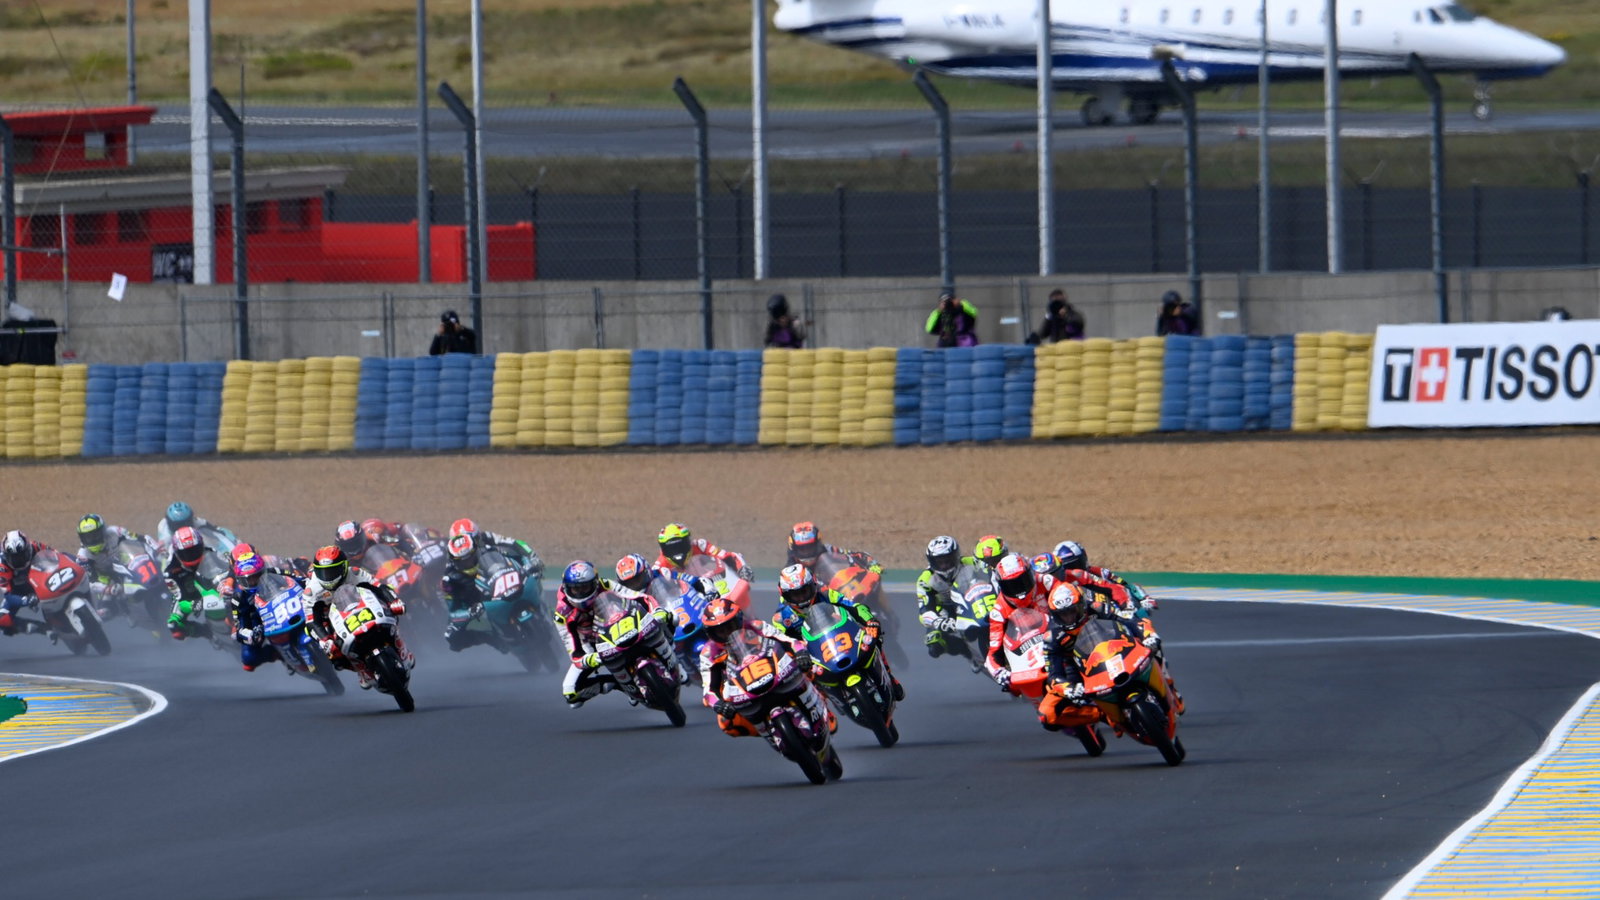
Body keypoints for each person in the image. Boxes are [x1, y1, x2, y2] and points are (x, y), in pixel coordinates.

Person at [1036, 581, 1182, 730]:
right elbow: (1053, 674)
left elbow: (1129, 620)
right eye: (1063, 615)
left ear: (1081, 605)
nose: (1069, 618)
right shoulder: (1051, 636)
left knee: (1153, 646)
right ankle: (1103, 713)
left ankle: (1169, 688)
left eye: (1072, 611)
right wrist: (1068, 688)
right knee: (1047, 715)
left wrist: (1148, 635)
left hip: (1116, 648)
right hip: (1080, 670)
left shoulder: (1097, 607)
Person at [553, 560, 685, 708]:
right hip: (591, 645)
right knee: (571, 694)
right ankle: (622, 686)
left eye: (585, 587)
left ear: (595, 583)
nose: (580, 592)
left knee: (670, 617)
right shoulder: (562, 614)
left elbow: (638, 597)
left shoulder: (605, 585)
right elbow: (573, 648)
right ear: (565, 587)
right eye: (575, 589)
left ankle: (675, 659)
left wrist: (656, 610)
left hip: (620, 624)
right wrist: (586, 659)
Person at [698, 595, 828, 738]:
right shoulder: (708, 653)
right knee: (726, 723)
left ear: (739, 620)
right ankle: (767, 732)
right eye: (720, 631)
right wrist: (718, 704)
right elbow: (708, 690)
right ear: (710, 633)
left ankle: (819, 702)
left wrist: (801, 652)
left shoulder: (756, 626)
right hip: (742, 689)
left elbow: (788, 641)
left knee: (812, 667)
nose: (727, 634)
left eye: (730, 627)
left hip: (775, 671)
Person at [771, 564, 904, 702]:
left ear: (813, 585)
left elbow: (853, 607)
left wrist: (870, 621)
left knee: (872, 639)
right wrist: (797, 655)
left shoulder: (826, 593)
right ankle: (825, 711)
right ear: (784, 595)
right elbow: (780, 645)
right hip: (813, 655)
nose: (802, 598)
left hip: (841, 637)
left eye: (805, 591)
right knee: (802, 681)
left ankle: (889, 676)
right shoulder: (781, 618)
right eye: (795, 595)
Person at [302, 545, 410, 689]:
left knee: (393, 613)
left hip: (363, 607)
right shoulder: (311, 591)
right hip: (333, 619)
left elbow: (379, 587)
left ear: (344, 566)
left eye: (332, 571)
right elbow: (311, 622)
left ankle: (400, 646)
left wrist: (394, 601)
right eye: (323, 573)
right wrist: (325, 639)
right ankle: (360, 669)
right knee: (333, 654)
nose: (328, 577)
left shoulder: (355, 572)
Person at [982, 553, 1058, 689]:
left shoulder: (1046, 582)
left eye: (1023, 582)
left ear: (1031, 574)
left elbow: (1072, 596)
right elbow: (992, 653)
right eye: (1012, 586)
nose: (1020, 592)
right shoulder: (998, 611)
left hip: (1060, 641)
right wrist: (999, 673)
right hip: (1027, 661)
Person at [915, 535, 983, 661]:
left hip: (973, 603)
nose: (944, 565)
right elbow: (924, 611)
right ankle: (966, 651)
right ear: (931, 562)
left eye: (948, 560)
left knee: (973, 633)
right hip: (946, 610)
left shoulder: (971, 563)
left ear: (956, 556)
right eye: (939, 562)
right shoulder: (925, 580)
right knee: (934, 646)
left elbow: (992, 574)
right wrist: (937, 621)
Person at [162, 526, 224, 640]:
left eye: (195, 550)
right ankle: (207, 633)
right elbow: (180, 599)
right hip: (190, 594)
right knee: (174, 626)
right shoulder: (170, 572)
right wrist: (192, 605)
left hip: (216, 583)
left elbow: (228, 563)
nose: (192, 555)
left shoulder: (211, 551)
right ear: (177, 553)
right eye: (186, 553)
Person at [655, 523, 753, 582]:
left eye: (680, 546)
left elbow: (727, 556)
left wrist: (742, 568)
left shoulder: (700, 546)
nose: (677, 551)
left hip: (715, 586)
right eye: (672, 549)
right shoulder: (659, 566)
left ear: (688, 541)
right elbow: (652, 584)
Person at [0, 530, 48, 636]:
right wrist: (26, 601)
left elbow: (59, 556)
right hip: (18, 591)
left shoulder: (36, 546)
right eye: (14, 558)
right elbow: (8, 596)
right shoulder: (2, 566)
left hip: (42, 581)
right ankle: (42, 628)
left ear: (28, 548)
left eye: (22, 555)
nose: (20, 560)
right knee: (2, 619)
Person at [784, 521, 880, 572]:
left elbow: (857, 555)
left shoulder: (828, 550)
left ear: (817, 544)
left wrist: (871, 563)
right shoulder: (790, 569)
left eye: (810, 547)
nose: (806, 552)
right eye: (802, 549)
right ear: (794, 549)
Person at [154, 501, 231, 554]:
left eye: (185, 523)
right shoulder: (164, 529)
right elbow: (162, 547)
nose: (182, 529)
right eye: (178, 525)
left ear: (191, 519)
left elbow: (213, 530)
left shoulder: (196, 521)